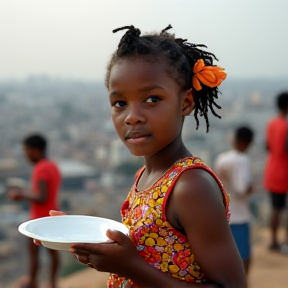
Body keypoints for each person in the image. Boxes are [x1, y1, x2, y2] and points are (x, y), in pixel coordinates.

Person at [41, 25, 247, 288]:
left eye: (152, 99)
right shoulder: (146, 176)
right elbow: (152, 243)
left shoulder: (190, 187)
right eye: (120, 103)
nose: (132, 116)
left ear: (185, 103)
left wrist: (131, 267)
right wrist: (80, 234)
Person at [8, 134, 61, 288]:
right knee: (53, 252)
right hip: (52, 215)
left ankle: (32, 283)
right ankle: (52, 282)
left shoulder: (41, 168)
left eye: (27, 151)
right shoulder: (52, 166)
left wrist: (20, 194)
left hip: (40, 218)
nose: (26, 155)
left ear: (36, 150)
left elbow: (42, 196)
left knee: (33, 252)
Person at [214, 126, 254, 276]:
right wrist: (251, 188)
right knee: (244, 256)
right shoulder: (242, 160)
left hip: (223, 216)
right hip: (239, 216)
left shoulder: (222, 158)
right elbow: (242, 188)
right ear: (248, 142)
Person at [263, 92, 288, 251]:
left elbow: (267, 146)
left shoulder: (272, 123)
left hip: (271, 169)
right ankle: (285, 240)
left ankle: (273, 241)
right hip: (284, 172)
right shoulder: (286, 126)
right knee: (283, 209)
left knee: (275, 208)